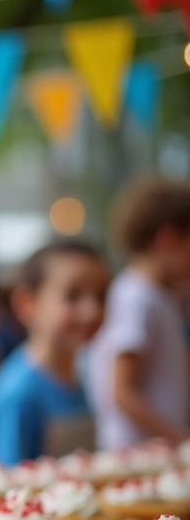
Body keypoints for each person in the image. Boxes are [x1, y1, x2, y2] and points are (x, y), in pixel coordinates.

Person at [0, 239, 110, 464]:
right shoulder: (18, 393)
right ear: (27, 304)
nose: (93, 311)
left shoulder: (80, 375)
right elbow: (11, 483)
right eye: (73, 296)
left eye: (101, 296)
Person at [88, 176, 190, 449]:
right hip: (135, 453)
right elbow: (121, 391)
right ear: (169, 239)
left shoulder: (160, 296)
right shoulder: (137, 297)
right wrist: (179, 437)